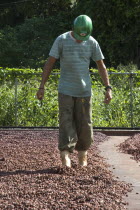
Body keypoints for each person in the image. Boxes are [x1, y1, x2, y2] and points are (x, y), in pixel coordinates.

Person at [37, 15, 112, 167]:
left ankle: (83, 156)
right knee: (66, 122)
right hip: (65, 90)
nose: (80, 39)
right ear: (73, 29)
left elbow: (101, 66)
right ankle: (65, 156)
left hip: (84, 91)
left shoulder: (92, 42)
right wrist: (42, 86)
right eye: (78, 36)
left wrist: (108, 88)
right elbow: (49, 63)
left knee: (85, 124)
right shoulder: (61, 40)